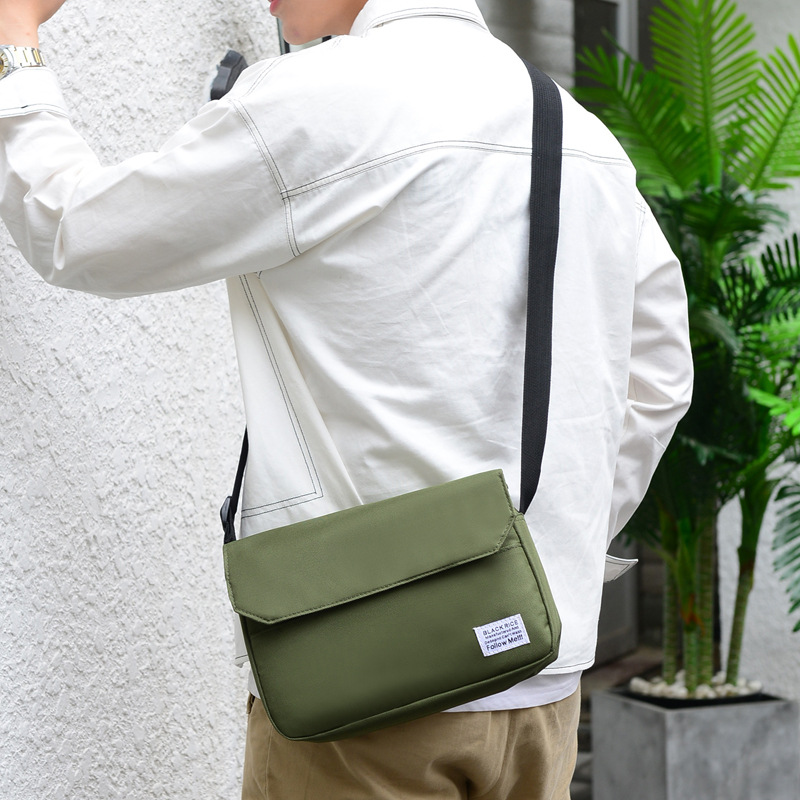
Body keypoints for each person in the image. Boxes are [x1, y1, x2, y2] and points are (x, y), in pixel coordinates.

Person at [0, 0, 692, 798]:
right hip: (541, 686)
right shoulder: (575, 131)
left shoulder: (318, 99)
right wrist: (532, 552)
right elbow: (661, 374)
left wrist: (16, 39)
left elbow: (78, 228)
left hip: (370, 688)